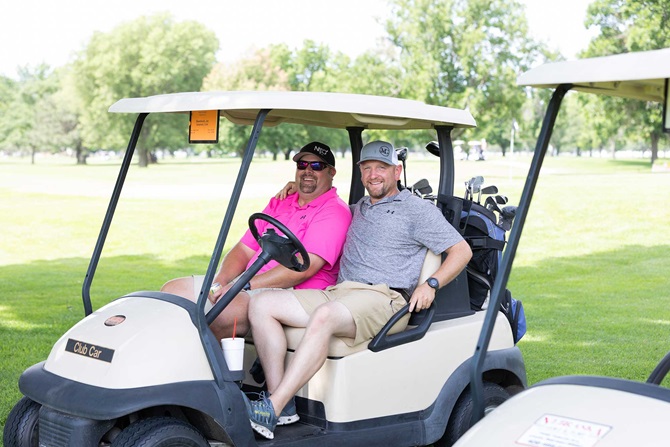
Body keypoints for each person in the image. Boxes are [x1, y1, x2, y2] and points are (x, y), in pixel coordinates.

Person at [243, 140, 473, 439]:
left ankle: (270, 407)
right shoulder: (358, 208)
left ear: (397, 171)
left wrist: (431, 283)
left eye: (382, 167)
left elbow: (461, 250)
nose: (373, 174)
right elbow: (325, 206)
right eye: (367, 168)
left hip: (385, 298)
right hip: (341, 293)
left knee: (324, 316)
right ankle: (281, 407)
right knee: (262, 304)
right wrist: (295, 187)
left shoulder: (417, 210)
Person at [161, 141, 352, 340]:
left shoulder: (334, 211)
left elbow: (305, 268)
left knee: (220, 315)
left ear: (331, 172)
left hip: (287, 292)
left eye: (316, 166)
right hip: (247, 282)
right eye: (302, 165)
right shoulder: (282, 201)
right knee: (172, 292)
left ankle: (211, 369)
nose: (307, 171)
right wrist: (220, 281)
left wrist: (243, 285)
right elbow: (244, 250)